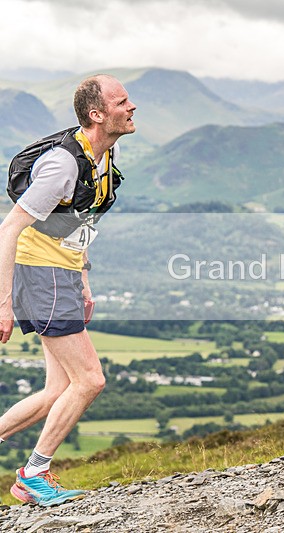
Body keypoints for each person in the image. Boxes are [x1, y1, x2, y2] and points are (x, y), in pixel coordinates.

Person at [0, 74, 136, 505]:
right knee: (90, 380)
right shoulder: (63, 164)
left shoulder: (104, 157)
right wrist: (3, 303)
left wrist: (83, 279)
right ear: (97, 114)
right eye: (122, 101)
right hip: (41, 276)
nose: (131, 107)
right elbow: (9, 230)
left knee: (57, 391)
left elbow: (77, 224)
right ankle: (32, 474)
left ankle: (32, 473)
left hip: (61, 276)